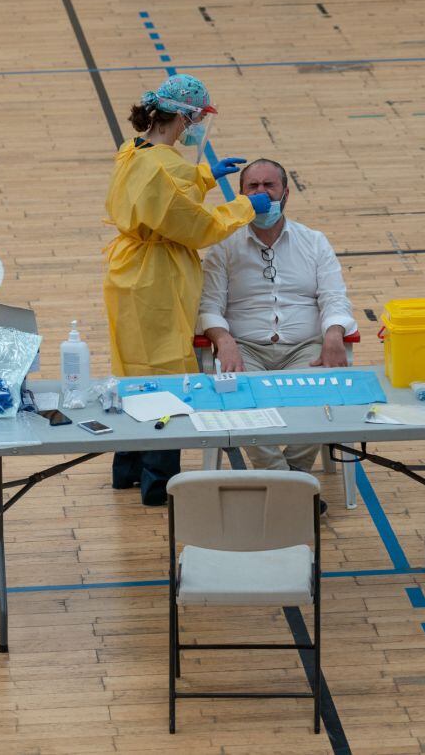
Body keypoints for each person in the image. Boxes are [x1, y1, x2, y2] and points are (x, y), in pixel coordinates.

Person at [104, 74, 272, 506]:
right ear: (181, 118)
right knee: (166, 372)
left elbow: (160, 195)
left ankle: (127, 469)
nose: (196, 127)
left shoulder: (133, 149)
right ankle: (158, 483)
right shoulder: (168, 166)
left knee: (132, 368)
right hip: (157, 276)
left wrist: (204, 176)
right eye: (195, 119)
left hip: (127, 270)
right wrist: (244, 206)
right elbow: (198, 227)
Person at [199, 158, 357, 508]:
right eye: (252, 187)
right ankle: (296, 488)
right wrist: (223, 341)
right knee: (239, 404)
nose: (261, 193)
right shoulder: (224, 246)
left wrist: (333, 335)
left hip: (304, 347)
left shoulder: (314, 242)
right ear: (241, 194)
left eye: (269, 186)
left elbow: (334, 297)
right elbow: (209, 306)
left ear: (286, 193)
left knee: (320, 400)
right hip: (246, 349)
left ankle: (285, 483)